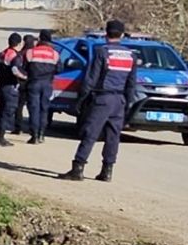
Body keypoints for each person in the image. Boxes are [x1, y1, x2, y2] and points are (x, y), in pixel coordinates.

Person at [59, 20, 138, 182]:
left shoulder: (102, 52)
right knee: (113, 136)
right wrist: (128, 104)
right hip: (119, 100)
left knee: (90, 133)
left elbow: (91, 78)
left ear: (106, 33)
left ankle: (78, 168)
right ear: (122, 35)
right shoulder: (131, 55)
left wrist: (81, 99)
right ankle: (107, 171)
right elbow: (131, 83)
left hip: (103, 98)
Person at [23, 30, 60, 144]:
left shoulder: (30, 52)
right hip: (47, 84)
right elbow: (59, 69)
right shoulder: (55, 54)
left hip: (34, 83)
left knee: (34, 109)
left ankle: (34, 136)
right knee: (44, 110)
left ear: (40, 39)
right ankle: (42, 134)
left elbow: (24, 67)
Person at [0, 33, 28, 147]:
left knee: (1, 112)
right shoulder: (15, 56)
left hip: (1, 85)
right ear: (19, 43)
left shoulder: (3, 53)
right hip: (10, 87)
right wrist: (25, 77)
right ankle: (0, 139)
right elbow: (15, 70)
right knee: (7, 112)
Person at [13, 34, 37, 134]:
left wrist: (21, 77)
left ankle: (18, 127)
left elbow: (15, 68)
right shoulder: (35, 54)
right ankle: (33, 129)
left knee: (19, 106)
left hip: (22, 83)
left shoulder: (21, 54)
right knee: (33, 107)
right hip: (33, 82)